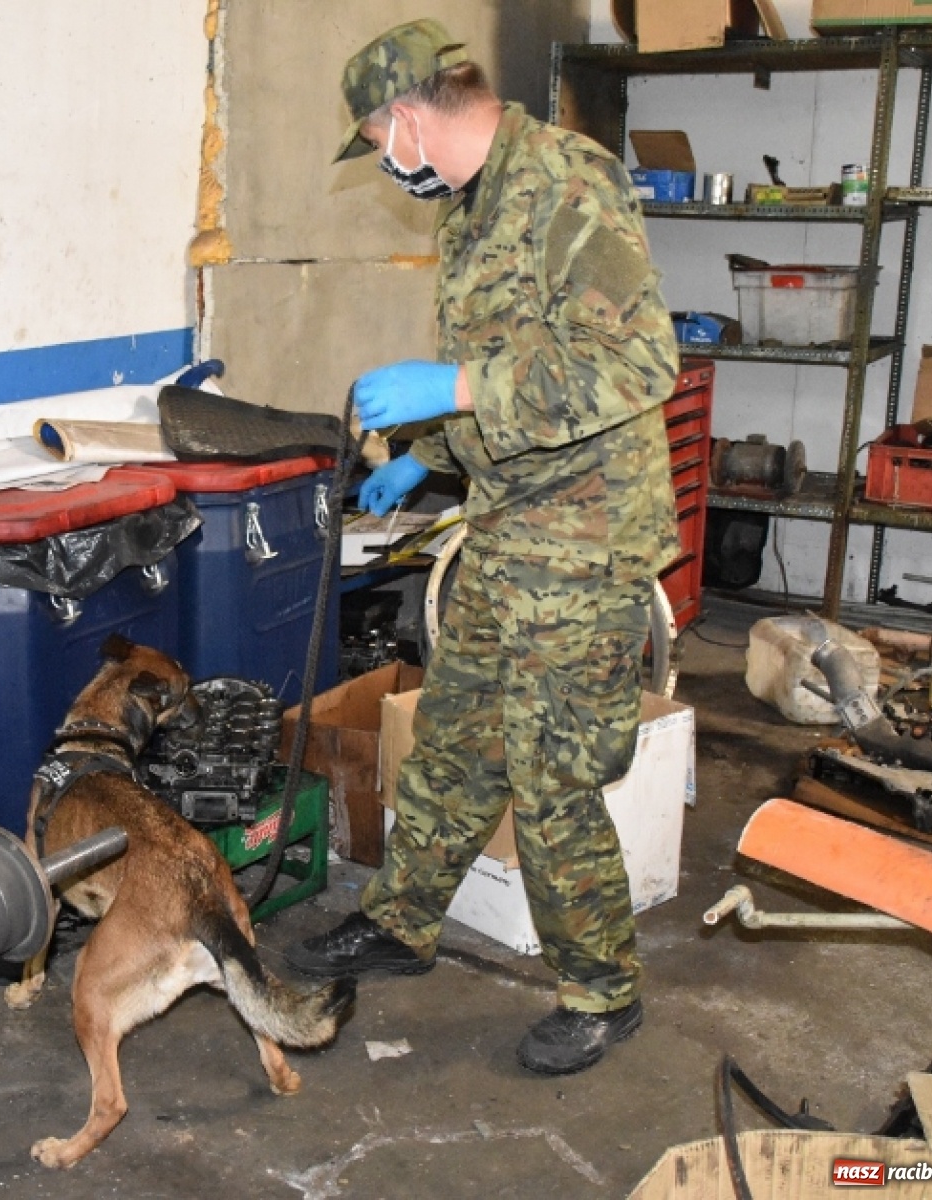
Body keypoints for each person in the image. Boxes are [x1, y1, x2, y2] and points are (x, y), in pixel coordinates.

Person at [285, 19, 680, 1077]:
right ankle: (403, 922)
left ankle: (602, 988)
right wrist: (429, 453)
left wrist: (454, 391)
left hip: (586, 539)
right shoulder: (470, 210)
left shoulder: (563, 183)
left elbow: (639, 362)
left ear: (405, 118)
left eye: (375, 141)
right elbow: (514, 369)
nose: (380, 161)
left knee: (550, 775)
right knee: (456, 732)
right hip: (510, 520)